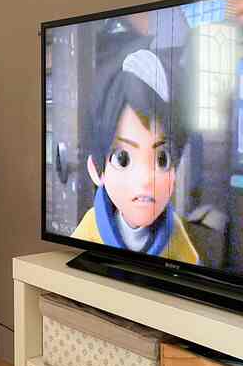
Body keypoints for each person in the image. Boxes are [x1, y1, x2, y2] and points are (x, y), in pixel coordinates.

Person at [72, 49, 199, 263]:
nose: (146, 179)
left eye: (162, 160)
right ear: (96, 169)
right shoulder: (91, 226)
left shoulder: (174, 232)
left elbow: (194, 273)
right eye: (123, 159)